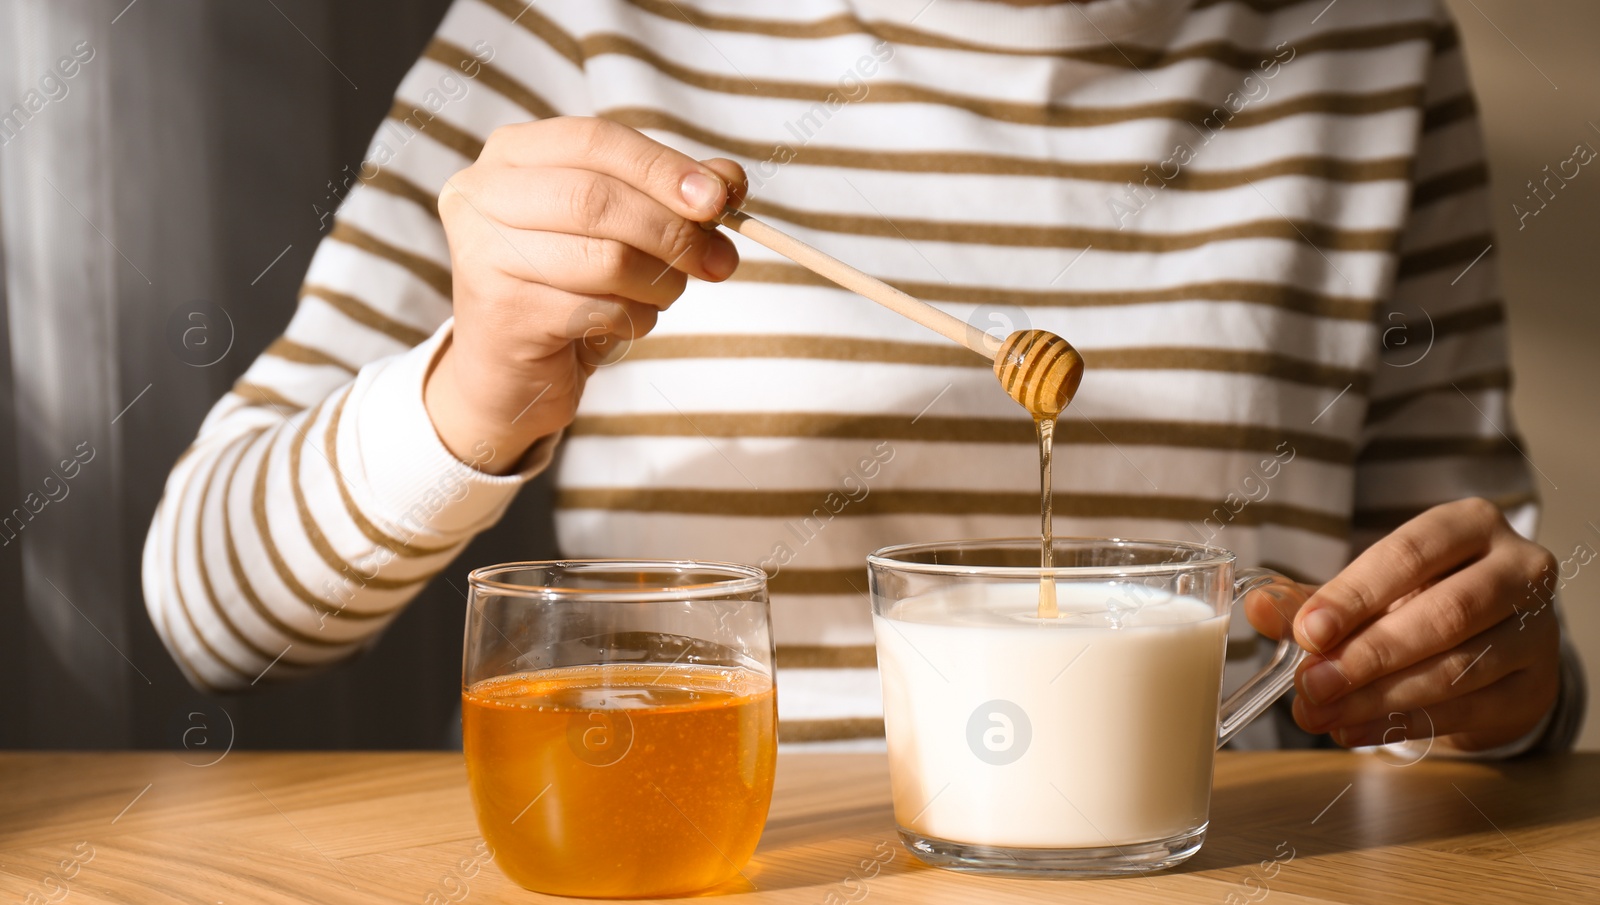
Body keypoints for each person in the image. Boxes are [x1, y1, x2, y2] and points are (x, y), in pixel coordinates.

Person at [142, 0, 1583, 754]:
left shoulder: (1369, 46)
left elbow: (1453, 625)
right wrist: (477, 388)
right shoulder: (579, 22)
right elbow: (215, 617)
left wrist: (1500, 695)